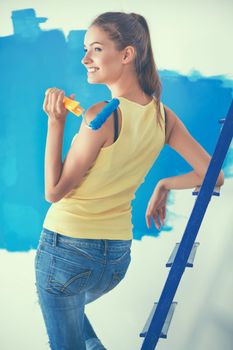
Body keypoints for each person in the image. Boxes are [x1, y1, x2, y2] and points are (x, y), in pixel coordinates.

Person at [34, 11, 224, 350]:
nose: (85, 59)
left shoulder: (101, 115)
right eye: (85, 49)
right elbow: (215, 176)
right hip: (117, 259)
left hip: (67, 250)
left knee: (66, 335)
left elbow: (54, 191)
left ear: (126, 54)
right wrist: (164, 184)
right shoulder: (163, 116)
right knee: (75, 325)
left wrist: (55, 123)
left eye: (95, 49)